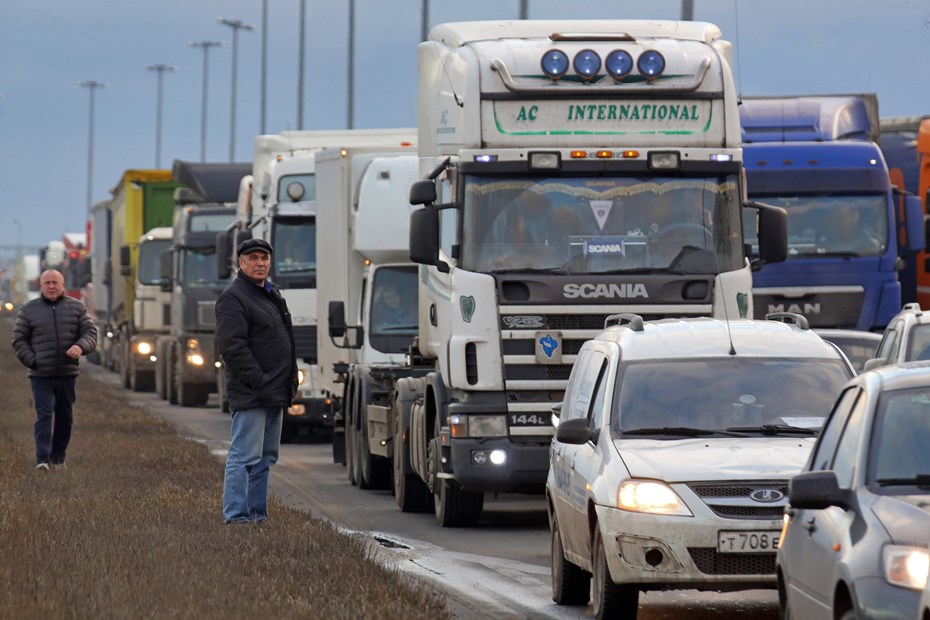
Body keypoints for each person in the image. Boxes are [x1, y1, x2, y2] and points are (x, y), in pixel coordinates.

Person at [215, 238, 298, 524]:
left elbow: (285, 340)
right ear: (241, 263)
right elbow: (232, 347)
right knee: (244, 457)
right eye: (253, 258)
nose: (260, 263)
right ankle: (237, 518)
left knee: (265, 458)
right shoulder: (233, 298)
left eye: (264, 258)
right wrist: (259, 380)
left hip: (275, 391)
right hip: (253, 392)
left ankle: (257, 516)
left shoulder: (272, 294)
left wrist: (289, 381)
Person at [11, 269, 97, 470]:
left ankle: (58, 458)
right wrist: (33, 361)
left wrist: (80, 346)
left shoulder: (76, 308)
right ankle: (42, 459)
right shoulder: (28, 310)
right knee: (44, 415)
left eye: (55, 283)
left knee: (65, 418)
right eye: (47, 283)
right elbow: (19, 340)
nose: (51, 286)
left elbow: (90, 332)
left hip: (67, 374)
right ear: (40, 286)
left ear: (62, 285)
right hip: (41, 375)